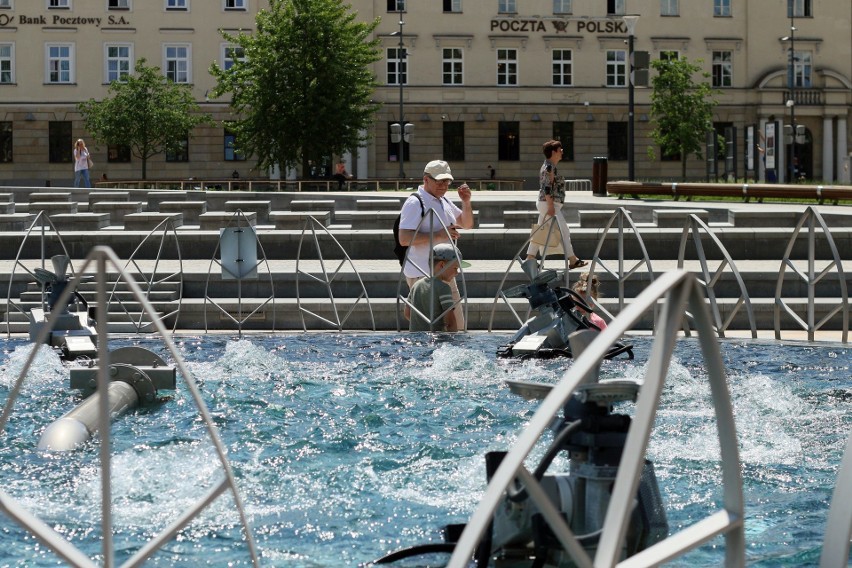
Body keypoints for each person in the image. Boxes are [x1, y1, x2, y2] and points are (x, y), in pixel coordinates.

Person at [398, 160, 474, 330]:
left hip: (445, 272)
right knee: (431, 328)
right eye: (439, 181)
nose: (444, 185)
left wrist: (466, 202)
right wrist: (440, 234)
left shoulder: (443, 200)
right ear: (426, 180)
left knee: (456, 327)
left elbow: (467, 224)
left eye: (447, 181)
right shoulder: (415, 202)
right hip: (422, 274)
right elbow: (404, 238)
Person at [525, 140, 586, 269]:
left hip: (546, 203)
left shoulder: (549, 165)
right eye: (560, 149)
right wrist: (551, 206)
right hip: (549, 204)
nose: (562, 151)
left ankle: (530, 258)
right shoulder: (549, 167)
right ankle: (572, 260)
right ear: (553, 152)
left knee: (540, 231)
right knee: (564, 231)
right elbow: (547, 187)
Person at [404, 243, 470, 332]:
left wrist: (422, 325)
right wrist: (454, 341)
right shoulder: (444, 288)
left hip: (416, 337)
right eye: (455, 268)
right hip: (436, 339)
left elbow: (407, 313)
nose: (457, 273)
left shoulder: (417, 285)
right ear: (442, 265)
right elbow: (450, 321)